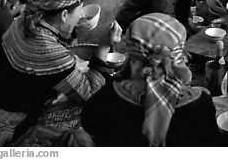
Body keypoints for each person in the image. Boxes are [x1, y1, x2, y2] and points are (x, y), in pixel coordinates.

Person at [0, 0, 123, 146]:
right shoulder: (48, 50)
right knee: (88, 109)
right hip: (11, 122)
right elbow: (91, 93)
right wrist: (103, 46)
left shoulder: (24, 20)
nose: (81, 16)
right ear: (64, 15)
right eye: (79, 11)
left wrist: (70, 29)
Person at [82, 13, 220, 146]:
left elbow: (88, 124)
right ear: (179, 54)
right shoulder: (202, 105)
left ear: (132, 54)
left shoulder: (104, 100)